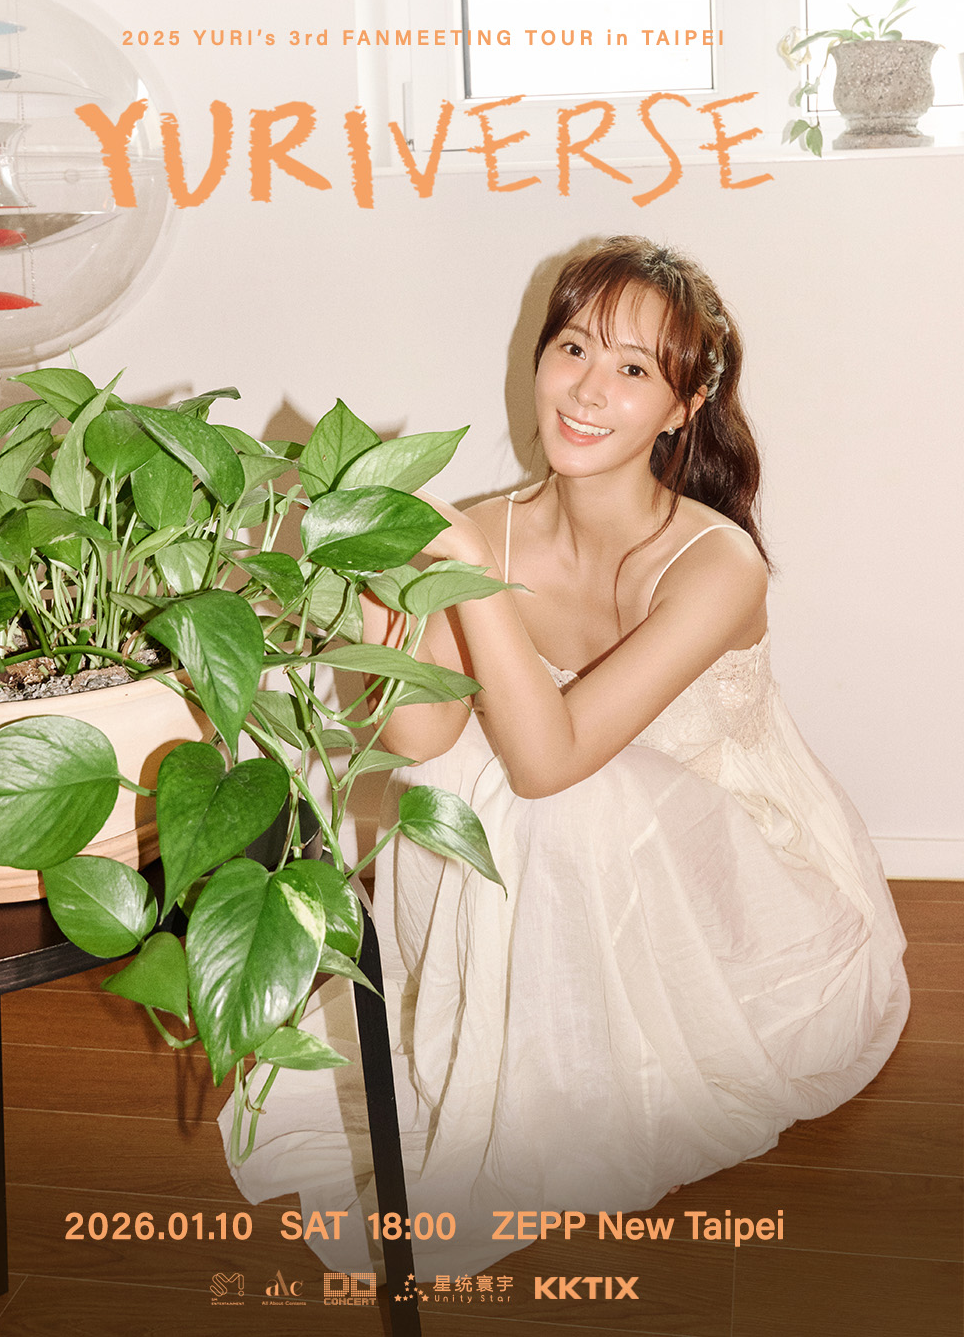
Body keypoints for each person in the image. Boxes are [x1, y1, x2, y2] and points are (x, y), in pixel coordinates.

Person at [219, 236, 909, 1280]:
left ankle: (582, 1080)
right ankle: (536, 1050)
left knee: (559, 796)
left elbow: (552, 764)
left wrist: (461, 565)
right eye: (574, 348)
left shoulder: (715, 562)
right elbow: (420, 740)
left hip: (738, 895)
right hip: (584, 871)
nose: (588, 390)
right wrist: (377, 586)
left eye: (634, 369)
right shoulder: (493, 527)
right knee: (453, 783)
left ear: (681, 408)